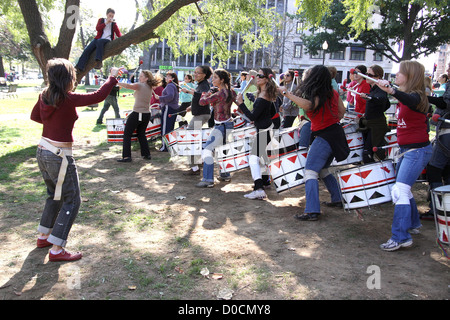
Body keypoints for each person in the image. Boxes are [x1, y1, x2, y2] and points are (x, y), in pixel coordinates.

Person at [30, 58, 122, 261]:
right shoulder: (67, 98)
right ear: (68, 78)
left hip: (43, 150)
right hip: (59, 154)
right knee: (72, 200)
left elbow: (36, 117)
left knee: (54, 195)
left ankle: (43, 236)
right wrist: (112, 77)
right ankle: (56, 249)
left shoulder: (44, 95)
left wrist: (55, 121)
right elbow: (98, 96)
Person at [375, 60, 432, 251]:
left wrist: (391, 90)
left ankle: (400, 237)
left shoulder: (417, 96)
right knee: (404, 189)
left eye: (400, 73)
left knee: (399, 191)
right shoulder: (407, 95)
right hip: (408, 151)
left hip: (416, 151)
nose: (396, 75)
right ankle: (413, 224)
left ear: (410, 76)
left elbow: (412, 102)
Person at [279, 65, 348, 221]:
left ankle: (312, 210)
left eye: (308, 74)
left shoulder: (317, 94)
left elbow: (309, 105)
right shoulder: (333, 93)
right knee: (323, 169)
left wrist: (287, 94)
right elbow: (341, 112)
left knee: (310, 171)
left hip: (325, 136)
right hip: (335, 133)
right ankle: (337, 198)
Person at [236, 68, 278, 199]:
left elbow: (252, 116)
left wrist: (241, 104)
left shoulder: (264, 95)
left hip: (265, 130)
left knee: (253, 158)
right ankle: (264, 182)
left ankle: (259, 188)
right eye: (257, 75)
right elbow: (269, 113)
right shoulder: (265, 94)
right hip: (267, 128)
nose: (257, 77)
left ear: (267, 79)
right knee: (261, 158)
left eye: (260, 75)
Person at [195, 69, 237, 188]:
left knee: (207, 150)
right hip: (228, 124)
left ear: (222, 79)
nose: (212, 80)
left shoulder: (219, 94)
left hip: (221, 126)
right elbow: (239, 104)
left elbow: (202, 102)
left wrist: (206, 93)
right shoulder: (231, 92)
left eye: (215, 78)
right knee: (221, 150)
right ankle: (224, 174)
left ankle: (208, 179)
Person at [424, 62, 450, 219]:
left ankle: (437, 209)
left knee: (434, 170)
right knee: (447, 169)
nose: (447, 71)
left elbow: (446, 104)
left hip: (447, 133)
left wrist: (426, 98)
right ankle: (445, 207)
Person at [116, 70, 160, 162]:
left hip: (138, 113)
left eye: (141, 76)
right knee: (141, 134)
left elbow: (128, 86)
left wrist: (116, 82)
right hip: (146, 114)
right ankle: (146, 154)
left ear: (146, 78)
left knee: (127, 134)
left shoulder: (140, 85)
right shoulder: (149, 86)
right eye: (139, 76)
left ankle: (127, 156)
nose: (139, 78)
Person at [181, 65, 213, 175]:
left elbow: (203, 95)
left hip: (201, 115)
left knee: (190, 140)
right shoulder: (200, 84)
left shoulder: (204, 85)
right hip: (201, 114)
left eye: (198, 73)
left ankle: (194, 168)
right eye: (194, 72)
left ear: (204, 75)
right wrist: (192, 107)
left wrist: (189, 92)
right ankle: (198, 162)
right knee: (195, 139)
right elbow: (199, 99)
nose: (195, 74)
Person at [359, 65, 390, 163]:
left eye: (370, 75)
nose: (367, 76)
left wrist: (370, 98)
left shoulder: (381, 89)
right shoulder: (372, 89)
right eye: (366, 74)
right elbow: (387, 104)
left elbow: (382, 100)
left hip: (376, 125)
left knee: (367, 153)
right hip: (370, 124)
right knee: (367, 152)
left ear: (378, 77)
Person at [157, 72, 180, 152]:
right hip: (171, 108)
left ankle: (165, 146)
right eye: (166, 76)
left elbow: (170, 97)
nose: (166, 78)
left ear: (173, 78)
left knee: (165, 127)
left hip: (168, 108)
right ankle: (170, 146)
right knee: (170, 128)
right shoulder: (173, 86)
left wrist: (159, 98)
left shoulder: (170, 85)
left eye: (168, 76)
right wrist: (160, 106)